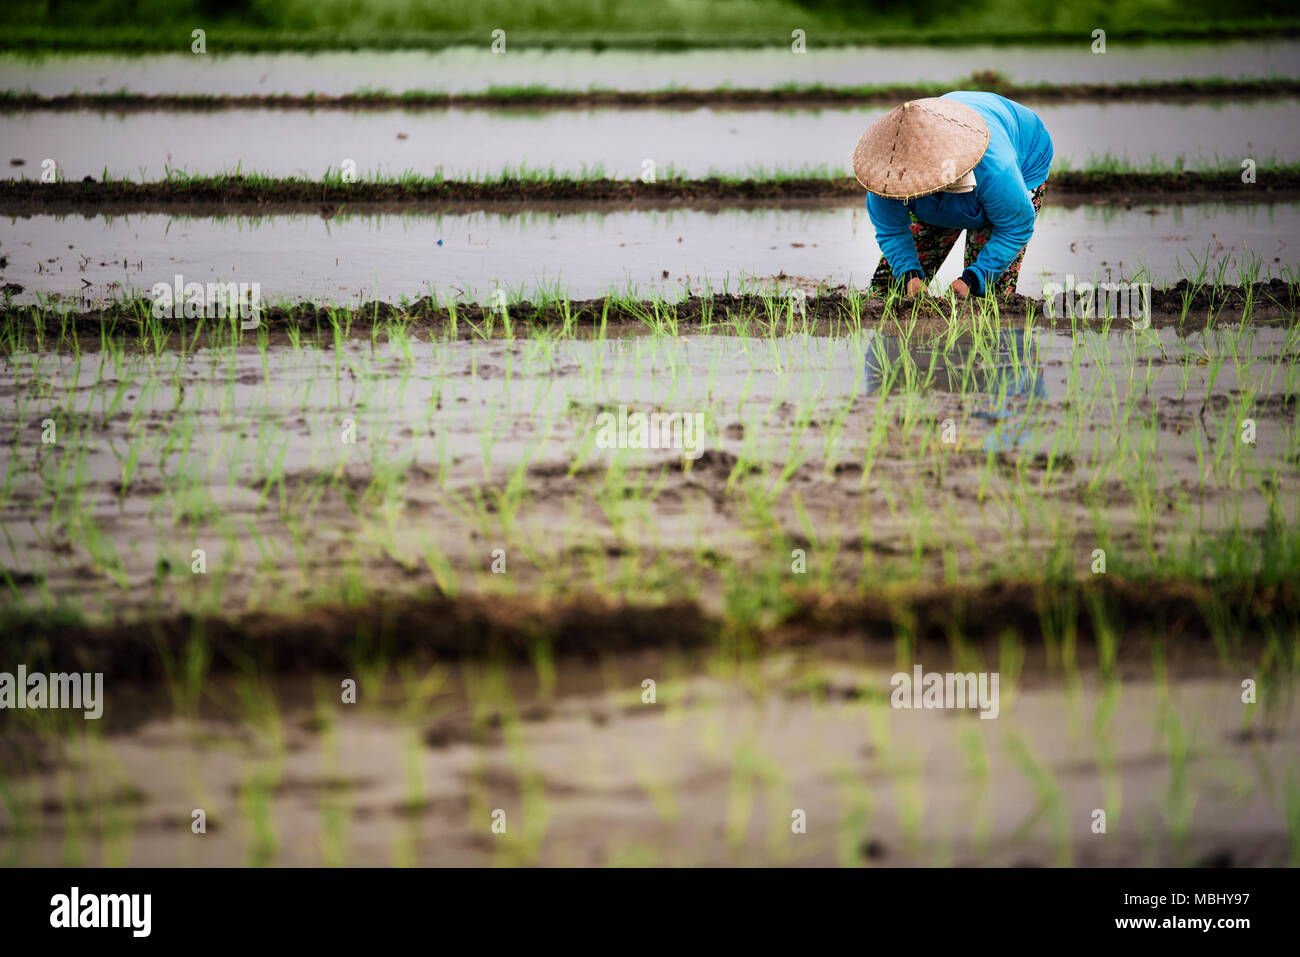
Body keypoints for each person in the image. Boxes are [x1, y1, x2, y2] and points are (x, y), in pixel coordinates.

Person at [852, 92, 1053, 299]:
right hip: (948, 157)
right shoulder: (886, 175)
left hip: (1024, 154)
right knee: (890, 292)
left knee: (987, 298)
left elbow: (1016, 226)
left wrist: (974, 279)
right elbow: (891, 230)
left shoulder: (996, 170)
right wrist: (909, 275)